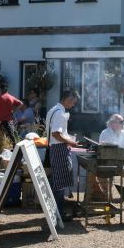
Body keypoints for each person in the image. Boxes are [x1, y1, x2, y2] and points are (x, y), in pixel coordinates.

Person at [46, 89, 81, 222]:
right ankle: (58, 214)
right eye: (73, 102)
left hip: (54, 148)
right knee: (59, 183)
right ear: (67, 99)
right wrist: (70, 141)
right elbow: (56, 134)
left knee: (58, 181)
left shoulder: (53, 109)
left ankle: (56, 212)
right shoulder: (60, 113)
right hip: (59, 148)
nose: (73, 105)